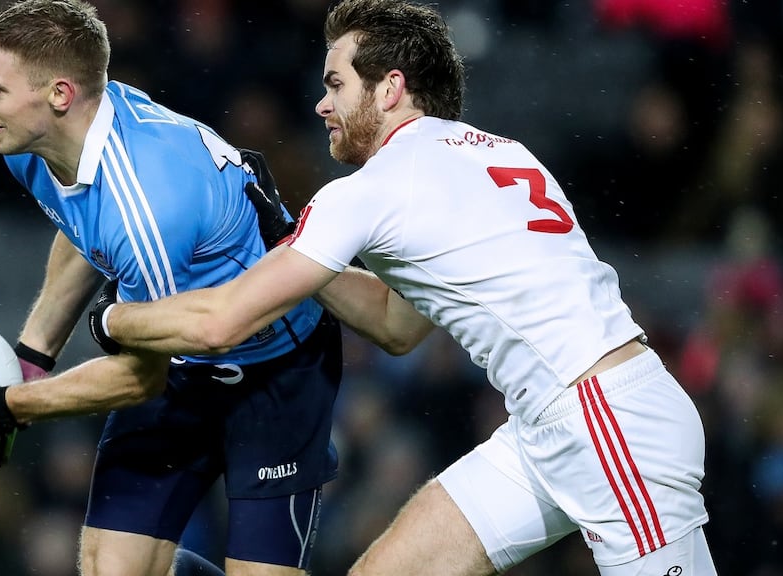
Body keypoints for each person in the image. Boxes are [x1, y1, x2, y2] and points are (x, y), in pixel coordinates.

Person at [85, 0, 720, 574]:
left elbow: (223, 322)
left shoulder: (374, 188)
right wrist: (291, 247)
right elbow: (397, 324)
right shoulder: (499, 151)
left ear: (390, 89)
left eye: (335, 84)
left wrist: (112, 319)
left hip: (606, 425)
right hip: (557, 422)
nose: (320, 105)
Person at [0, 2, 343, 576]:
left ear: (59, 94)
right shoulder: (44, 140)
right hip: (184, 361)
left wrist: (7, 405)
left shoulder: (149, 202)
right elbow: (84, 228)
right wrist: (31, 360)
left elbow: (142, 375)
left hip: (275, 373)